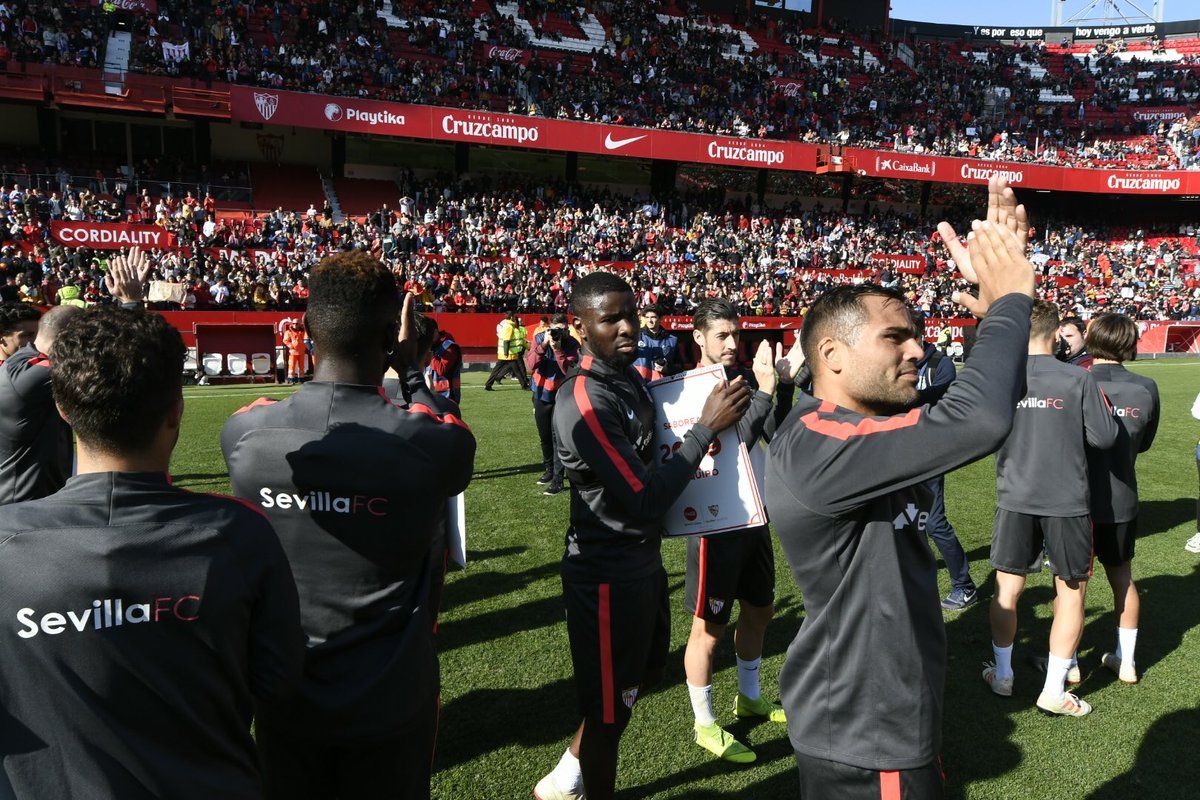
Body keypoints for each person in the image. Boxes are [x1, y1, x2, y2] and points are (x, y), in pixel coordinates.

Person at [767, 177, 1035, 799]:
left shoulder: (859, 428)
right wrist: (1009, 302)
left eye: (916, 335)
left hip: (884, 719)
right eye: (896, 337)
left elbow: (985, 398)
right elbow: (980, 418)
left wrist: (993, 318)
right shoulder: (819, 443)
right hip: (867, 735)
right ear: (831, 355)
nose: (918, 349)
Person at [0, 306, 304, 799]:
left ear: (62, 408)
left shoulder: (5, 543)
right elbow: (278, 685)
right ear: (176, 409)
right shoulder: (242, 533)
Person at [221, 252, 476, 800]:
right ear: (392, 334)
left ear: (307, 329)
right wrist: (410, 368)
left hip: (281, 689)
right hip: (390, 697)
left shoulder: (243, 432)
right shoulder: (428, 442)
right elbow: (453, 440)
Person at [534, 272, 750, 800]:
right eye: (612, 319)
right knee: (608, 714)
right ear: (581, 328)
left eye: (631, 314)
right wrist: (705, 428)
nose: (628, 327)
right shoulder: (584, 401)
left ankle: (563, 779)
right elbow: (646, 499)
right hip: (604, 574)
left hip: (643, 564)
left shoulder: (629, 380)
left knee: (634, 685)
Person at [681, 299, 803, 764]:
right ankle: (705, 723)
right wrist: (767, 392)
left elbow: (778, 432)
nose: (732, 344)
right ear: (699, 338)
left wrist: (782, 389)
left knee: (760, 611)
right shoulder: (691, 389)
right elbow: (727, 448)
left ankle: (749, 696)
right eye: (721, 336)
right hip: (715, 524)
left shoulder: (744, 381)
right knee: (707, 631)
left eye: (736, 334)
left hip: (755, 518)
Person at [983, 300, 1118, 717]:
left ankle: (1003, 674)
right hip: (1065, 500)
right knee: (1071, 591)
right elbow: (1105, 437)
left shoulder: (1001, 380)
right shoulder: (1077, 379)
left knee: (1008, 588)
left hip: (1016, 496)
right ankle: (1053, 689)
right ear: (1057, 332)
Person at [1084, 314, 1160, 684]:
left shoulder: (1076, 381)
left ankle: (1066, 662)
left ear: (1091, 338)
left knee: (1070, 585)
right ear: (1130, 343)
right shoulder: (1146, 386)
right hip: (1122, 498)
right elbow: (1143, 443)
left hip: (1076, 501)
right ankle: (1126, 661)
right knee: (1122, 578)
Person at [915, 341, 979, 610]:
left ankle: (964, 586)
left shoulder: (940, 364)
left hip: (930, 452)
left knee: (933, 522)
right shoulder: (893, 359)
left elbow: (941, 399)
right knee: (901, 520)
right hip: (896, 448)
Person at [0, 305, 82, 506]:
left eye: (35, 334)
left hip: (36, 488)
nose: (32, 340)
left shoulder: (22, 366)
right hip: (22, 498)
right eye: (25, 335)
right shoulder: (25, 373)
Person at [528, 312, 580, 497]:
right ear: (549, 329)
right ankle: (549, 470)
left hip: (561, 396)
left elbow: (568, 370)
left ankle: (558, 478)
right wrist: (543, 345)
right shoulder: (540, 338)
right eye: (555, 330)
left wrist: (558, 350)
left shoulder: (572, 343)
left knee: (559, 438)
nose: (558, 334)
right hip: (541, 394)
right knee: (544, 436)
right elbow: (530, 364)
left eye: (562, 330)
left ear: (567, 329)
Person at [633, 305, 680, 380]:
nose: (649, 320)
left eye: (653, 317)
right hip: (639, 385)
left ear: (661, 318)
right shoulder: (635, 336)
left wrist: (667, 369)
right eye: (647, 317)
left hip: (661, 386)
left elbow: (679, 366)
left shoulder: (672, 340)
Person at [485, 310, 527, 390]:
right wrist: (506, 352)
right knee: (517, 370)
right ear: (511, 317)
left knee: (497, 370)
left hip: (504, 352)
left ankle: (488, 385)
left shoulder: (504, 325)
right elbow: (506, 340)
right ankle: (524, 386)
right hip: (508, 353)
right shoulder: (509, 327)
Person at [426, 327, 463, 405]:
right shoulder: (434, 345)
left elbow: (441, 370)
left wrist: (429, 353)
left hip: (447, 395)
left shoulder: (449, 346)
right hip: (433, 394)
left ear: (435, 332)